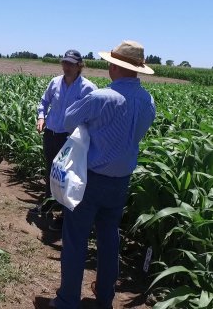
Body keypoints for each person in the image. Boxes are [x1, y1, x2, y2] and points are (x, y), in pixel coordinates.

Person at [49, 40, 156, 309]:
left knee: (75, 240)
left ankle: (67, 300)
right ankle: (105, 298)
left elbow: (68, 120)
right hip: (121, 182)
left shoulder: (101, 98)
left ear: (114, 66)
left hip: (92, 179)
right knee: (109, 240)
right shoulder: (147, 100)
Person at [30, 50, 97, 230]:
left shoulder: (88, 88)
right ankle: (48, 204)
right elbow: (44, 102)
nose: (67, 67)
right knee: (50, 170)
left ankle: (64, 215)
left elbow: (93, 116)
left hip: (70, 140)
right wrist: (41, 117)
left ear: (79, 66)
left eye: (71, 64)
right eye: (65, 63)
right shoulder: (55, 82)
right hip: (51, 133)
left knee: (67, 176)